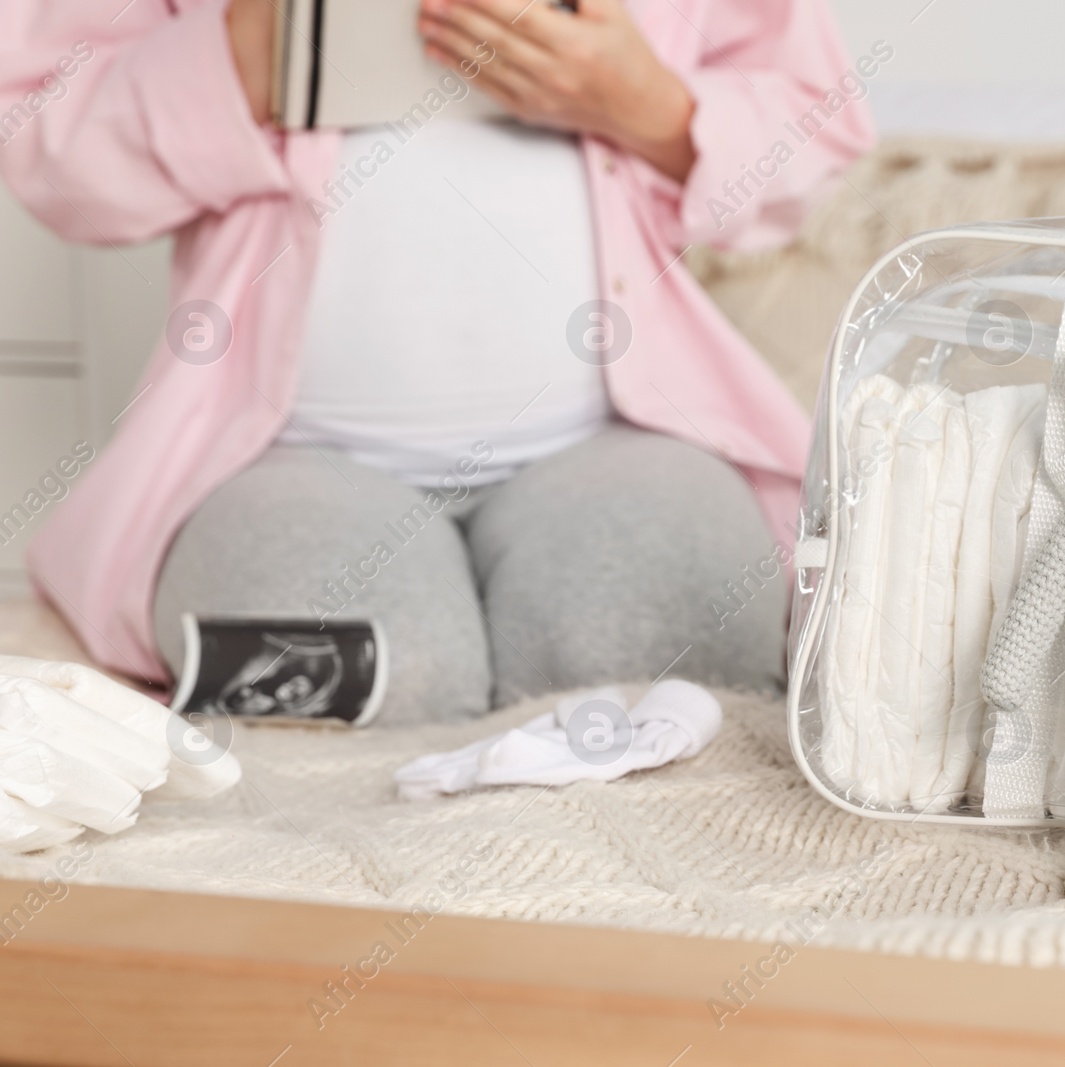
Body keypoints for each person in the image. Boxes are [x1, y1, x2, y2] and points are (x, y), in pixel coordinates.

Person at [0, 0, 873, 722]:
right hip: (283, 458)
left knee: (662, 654)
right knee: (345, 686)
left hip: (612, 440)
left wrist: (649, 107)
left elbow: (820, 131)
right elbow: (42, 140)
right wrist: (244, 58)